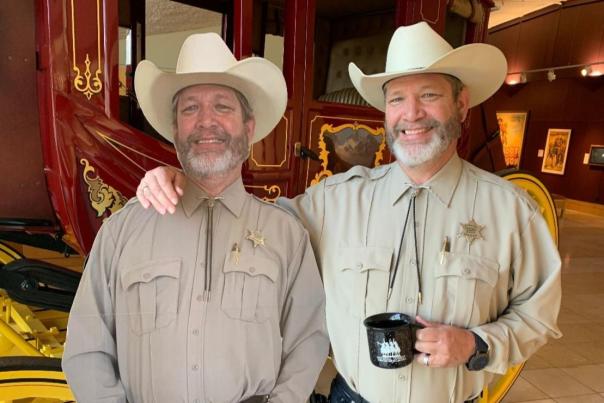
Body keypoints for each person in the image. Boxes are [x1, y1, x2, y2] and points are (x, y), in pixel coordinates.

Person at [136, 23, 562, 403]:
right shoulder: (333, 203)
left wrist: (475, 344)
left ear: (462, 104)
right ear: (385, 111)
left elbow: (538, 317)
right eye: (397, 98)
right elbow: (247, 224)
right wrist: (185, 180)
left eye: (429, 95)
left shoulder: (511, 212)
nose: (411, 114)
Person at [62, 33, 329, 403]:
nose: (206, 121)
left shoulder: (286, 235)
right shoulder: (122, 232)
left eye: (222, 106)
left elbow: (308, 342)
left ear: (248, 129)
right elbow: (86, 351)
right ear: (175, 130)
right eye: (190, 109)